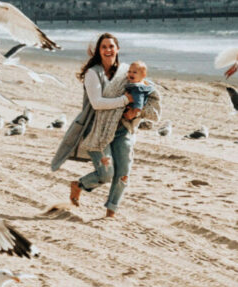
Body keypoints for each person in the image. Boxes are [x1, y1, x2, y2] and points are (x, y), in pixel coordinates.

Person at [51, 33, 161, 218]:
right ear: (98, 51)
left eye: (111, 46)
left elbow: (145, 89)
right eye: (104, 47)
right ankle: (79, 185)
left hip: (123, 129)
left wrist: (138, 111)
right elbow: (97, 103)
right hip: (97, 130)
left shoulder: (128, 72)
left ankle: (111, 212)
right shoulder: (93, 73)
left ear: (117, 49)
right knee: (107, 173)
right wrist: (125, 99)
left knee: (123, 173)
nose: (108, 50)